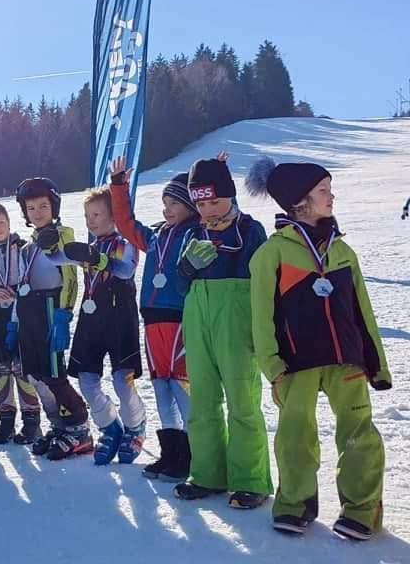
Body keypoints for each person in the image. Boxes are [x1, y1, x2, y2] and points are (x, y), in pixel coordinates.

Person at [247, 157, 391, 540]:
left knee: (359, 434)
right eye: (323, 190)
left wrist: (376, 363)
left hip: (347, 360)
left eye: (330, 190)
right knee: (295, 435)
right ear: (299, 202)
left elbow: (363, 312)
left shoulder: (344, 252)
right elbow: (261, 316)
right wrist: (272, 366)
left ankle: (361, 510)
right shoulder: (272, 254)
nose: (332, 196)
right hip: (296, 363)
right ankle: (294, 504)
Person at [173, 156, 273, 509]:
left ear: (230, 195)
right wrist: (186, 268)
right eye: (201, 204)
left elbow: (264, 279)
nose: (208, 210)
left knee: (242, 398)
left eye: (214, 201)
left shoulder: (250, 229)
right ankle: (207, 473)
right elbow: (178, 284)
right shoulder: (193, 232)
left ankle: (250, 479)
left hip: (236, 316)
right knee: (202, 398)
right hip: (198, 315)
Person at [110, 159, 200, 480]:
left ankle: (193, 454)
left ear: (190, 204)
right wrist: (118, 185)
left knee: (181, 386)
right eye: (164, 203)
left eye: (174, 203)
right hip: (152, 321)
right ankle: (171, 452)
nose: (167, 209)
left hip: (179, 320)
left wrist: (211, 176)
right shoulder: (156, 236)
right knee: (161, 387)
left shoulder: (196, 233)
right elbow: (125, 223)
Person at [51, 185, 146, 465]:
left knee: (121, 380)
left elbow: (126, 270)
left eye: (96, 214)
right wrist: (47, 245)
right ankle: (110, 426)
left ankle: (136, 426)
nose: (90, 221)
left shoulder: (124, 242)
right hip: (91, 319)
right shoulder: (89, 247)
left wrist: (101, 260)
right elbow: (56, 258)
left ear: (114, 216)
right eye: (86, 215)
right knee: (86, 379)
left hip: (120, 319)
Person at [14, 177, 92, 461]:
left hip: (50, 307)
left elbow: (71, 275)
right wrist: (13, 322)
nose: (37, 212)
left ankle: (79, 429)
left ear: (54, 207)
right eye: (31, 208)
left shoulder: (63, 234)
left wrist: (63, 313)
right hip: (30, 310)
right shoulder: (27, 246)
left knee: (54, 374)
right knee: (35, 374)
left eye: (43, 206)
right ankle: (59, 426)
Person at [0, 202, 43, 445]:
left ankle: (31, 422)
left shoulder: (24, 247)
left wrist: (23, 294)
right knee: (2, 370)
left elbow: (37, 281)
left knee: (22, 368)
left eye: (2, 222)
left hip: (22, 315)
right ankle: (6, 422)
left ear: (9, 221)